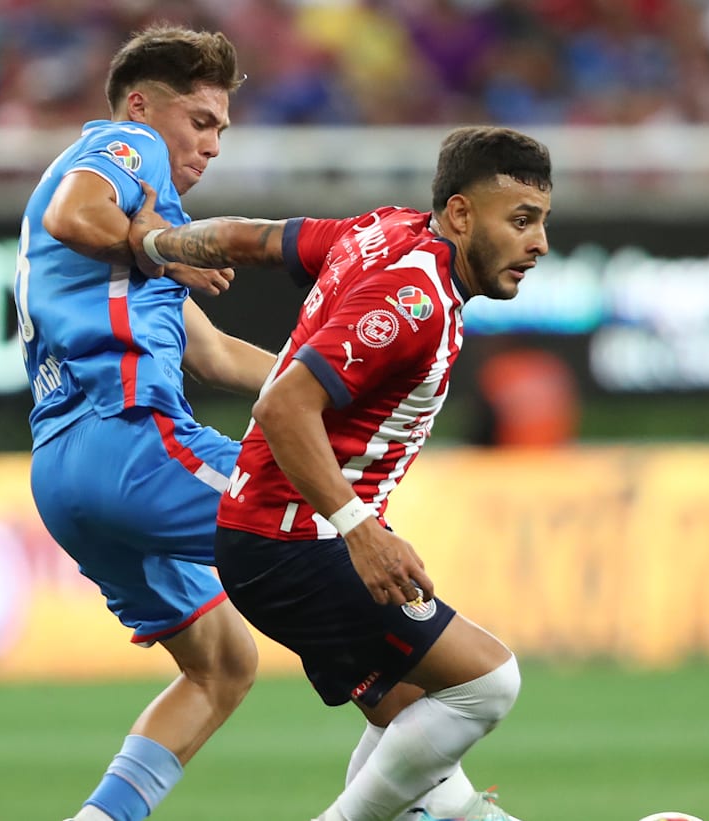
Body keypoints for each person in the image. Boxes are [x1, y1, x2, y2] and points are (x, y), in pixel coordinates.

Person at [130, 125, 552, 821]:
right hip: (298, 543)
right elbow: (282, 404)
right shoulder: (412, 302)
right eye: (522, 220)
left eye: (541, 221)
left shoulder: (383, 230)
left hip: (267, 536)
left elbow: (253, 239)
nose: (538, 243)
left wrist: (156, 244)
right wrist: (360, 529)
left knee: (413, 730)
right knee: (489, 682)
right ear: (460, 213)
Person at [13, 25, 269, 821]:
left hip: (65, 474)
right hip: (131, 443)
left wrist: (347, 382)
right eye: (201, 120)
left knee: (223, 663)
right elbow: (74, 211)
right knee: (343, 540)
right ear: (141, 106)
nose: (213, 145)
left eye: (221, 128)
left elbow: (217, 354)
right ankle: (436, 797)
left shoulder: (132, 243)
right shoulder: (128, 150)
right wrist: (157, 243)